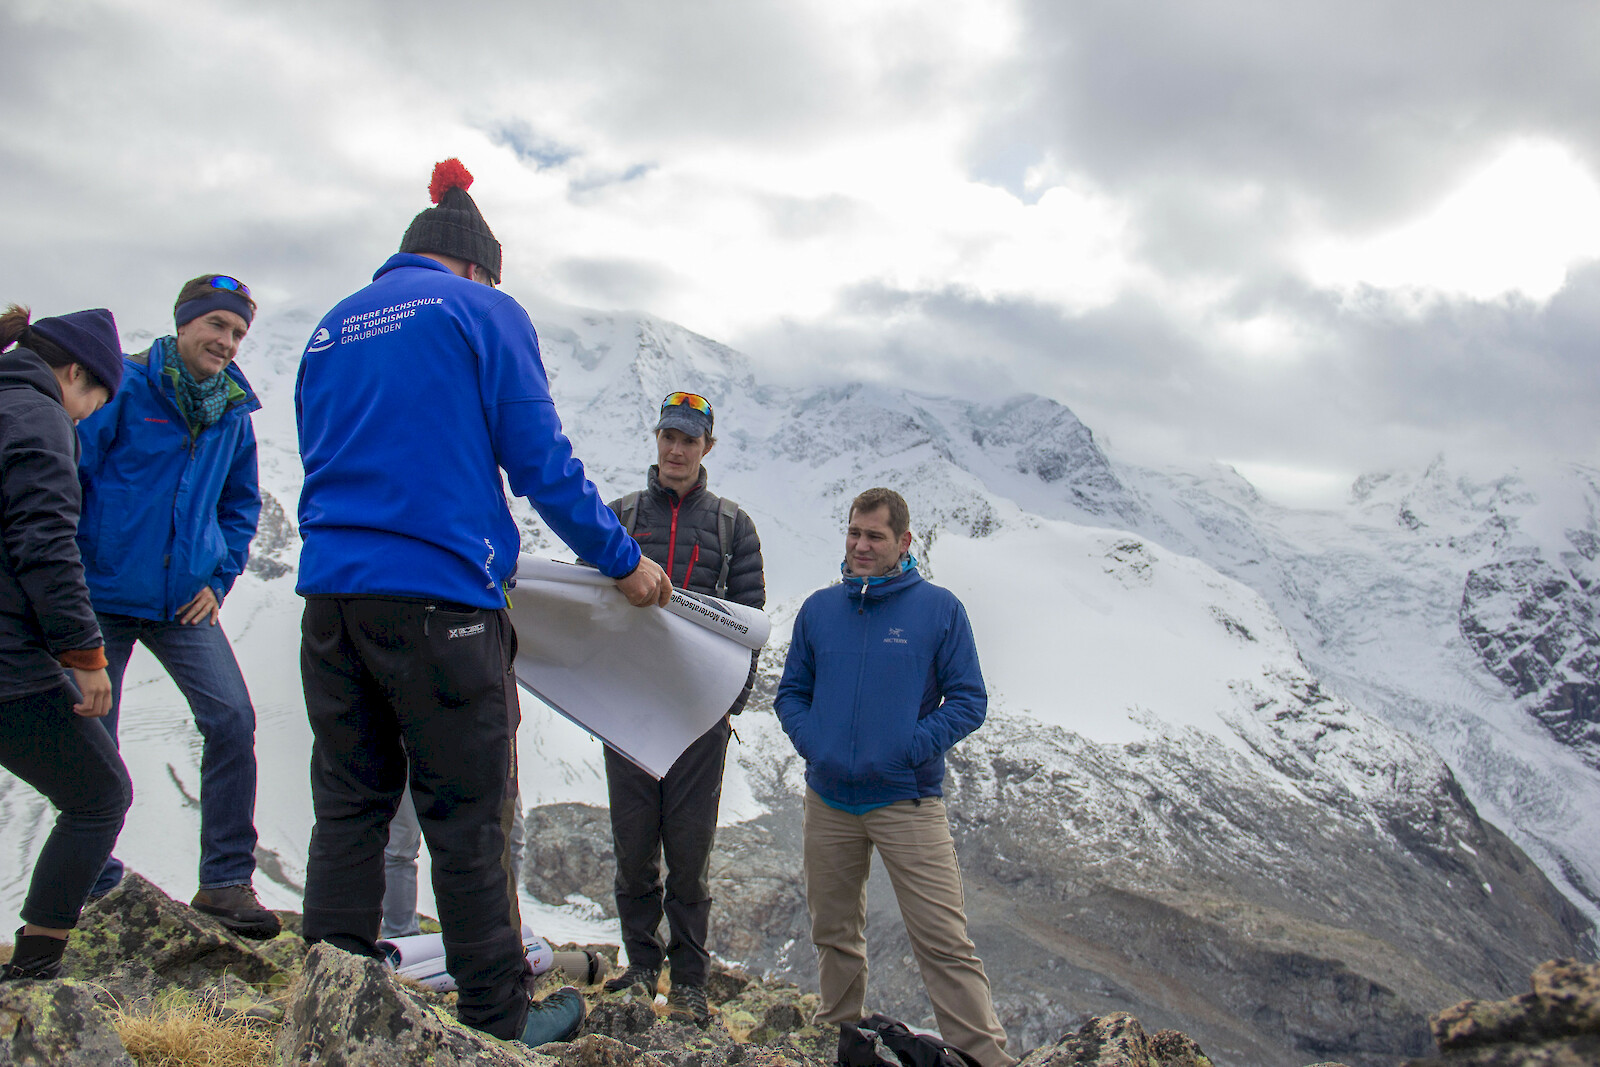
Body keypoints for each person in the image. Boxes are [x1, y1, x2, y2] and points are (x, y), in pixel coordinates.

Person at [295, 158, 671, 1049]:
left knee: (349, 808)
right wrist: (624, 562)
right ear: (477, 267)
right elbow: (539, 457)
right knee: (468, 819)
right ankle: (498, 1022)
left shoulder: (330, 326)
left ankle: (329, 1013)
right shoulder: (482, 311)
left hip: (333, 601)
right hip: (443, 605)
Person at [775, 488, 1014, 1067]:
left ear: (903, 543)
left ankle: (984, 1058)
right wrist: (818, 747)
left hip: (907, 799)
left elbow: (968, 700)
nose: (860, 545)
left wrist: (909, 748)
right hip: (828, 799)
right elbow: (791, 695)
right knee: (834, 933)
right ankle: (842, 1040)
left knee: (942, 940)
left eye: (874, 536)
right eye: (854, 533)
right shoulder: (820, 610)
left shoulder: (938, 610)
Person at [74, 275, 276, 938]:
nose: (226, 341)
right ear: (185, 323)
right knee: (93, 730)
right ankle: (91, 879)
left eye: (238, 332)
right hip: (101, 593)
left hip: (182, 602)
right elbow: (72, 472)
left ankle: (224, 882)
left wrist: (217, 581)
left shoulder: (231, 412)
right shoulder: (125, 387)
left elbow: (240, 505)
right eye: (217, 325)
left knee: (230, 717)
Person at [599, 391, 765, 1025]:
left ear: (707, 448)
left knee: (689, 853)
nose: (675, 448)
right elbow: (589, 606)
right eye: (668, 435)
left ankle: (690, 980)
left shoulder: (732, 526)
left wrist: (729, 705)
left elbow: (748, 620)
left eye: (689, 440)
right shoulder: (617, 516)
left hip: (699, 716)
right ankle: (641, 969)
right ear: (657, 439)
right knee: (634, 847)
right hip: (630, 710)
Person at [0, 306, 132, 980]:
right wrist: (85, 654)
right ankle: (36, 966)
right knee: (99, 794)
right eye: (92, 401)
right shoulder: (38, 416)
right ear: (74, 373)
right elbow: (45, 542)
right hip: (8, 660)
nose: (84, 417)